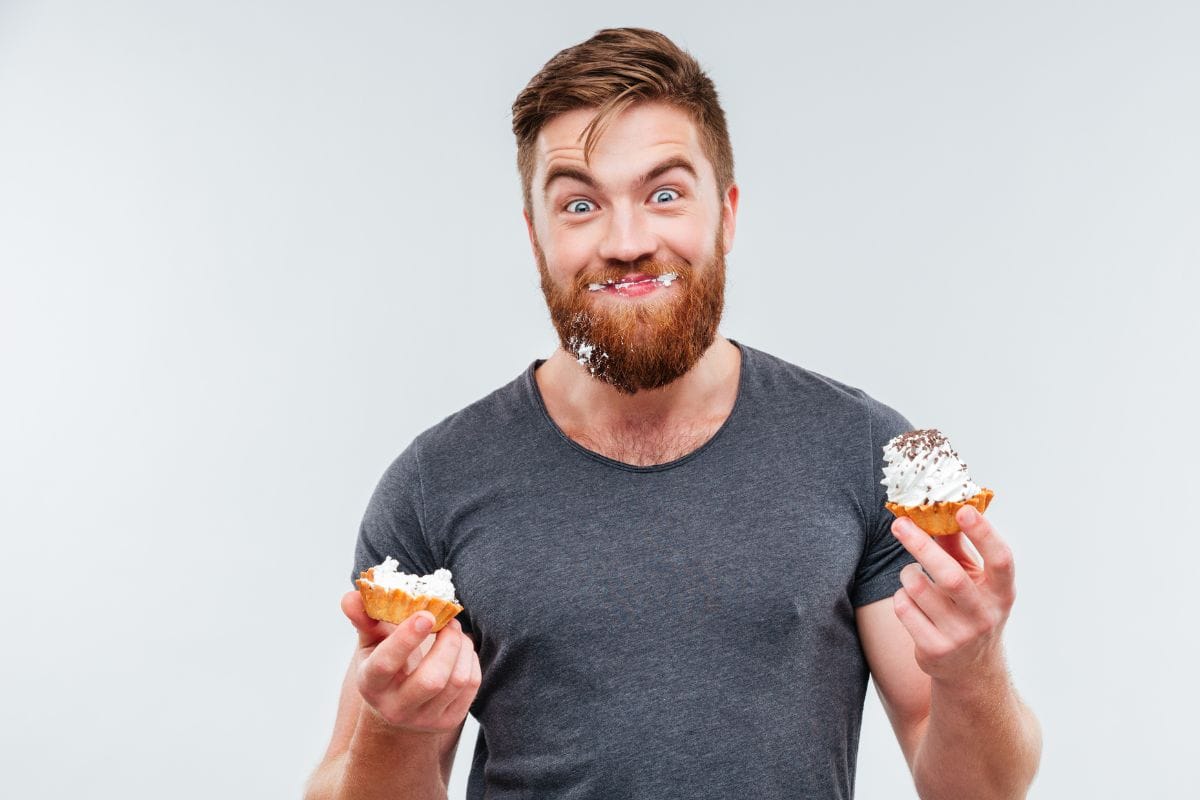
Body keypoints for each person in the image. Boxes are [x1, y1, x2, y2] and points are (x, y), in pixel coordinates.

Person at [304, 27, 1042, 800]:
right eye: (580, 204)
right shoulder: (435, 482)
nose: (627, 242)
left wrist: (974, 670)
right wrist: (394, 729)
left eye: (664, 195)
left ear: (726, 213)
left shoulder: (860, 449)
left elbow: (981, 792)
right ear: (536, 237)